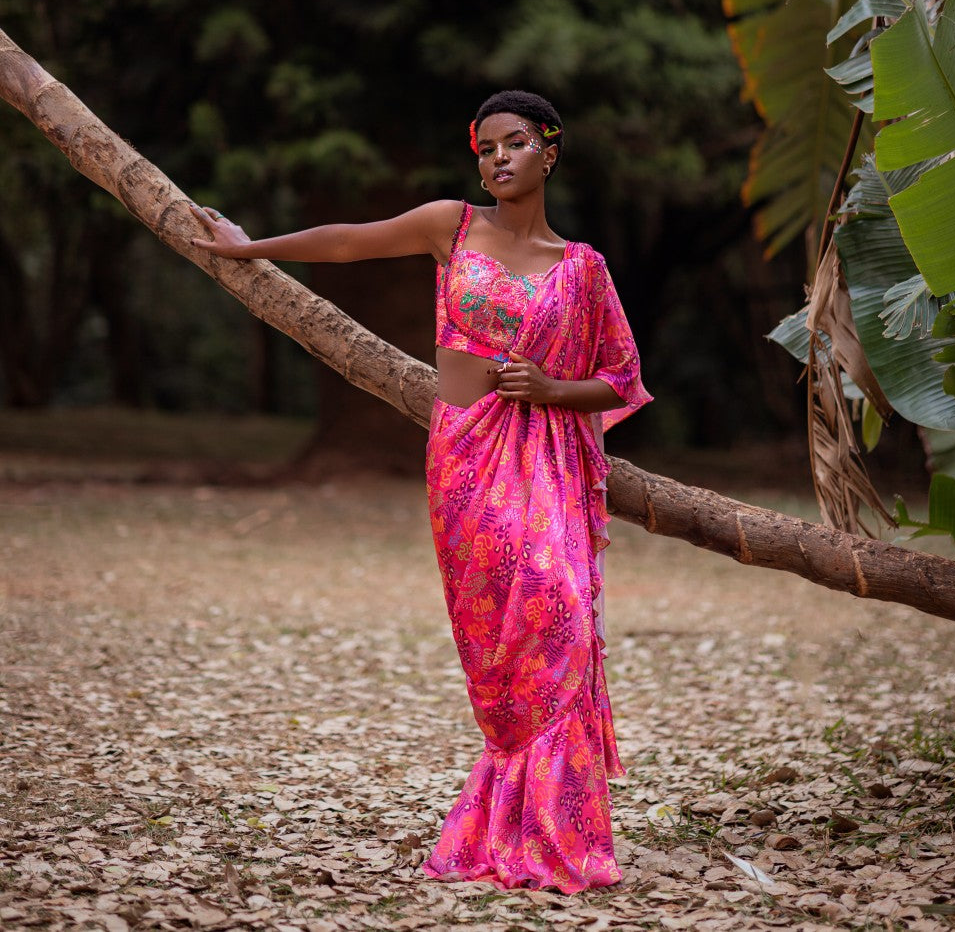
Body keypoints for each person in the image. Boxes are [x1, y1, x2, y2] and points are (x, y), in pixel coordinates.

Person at [190, 89, 651, 893]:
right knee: (499, 650)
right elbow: (348, 242)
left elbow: (620, 377)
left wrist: (551, 388)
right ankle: (510, 825)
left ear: (550, 151)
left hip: (547, 462)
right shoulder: (452, 226)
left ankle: (559, 834)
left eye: (515, 143)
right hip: (468, 464)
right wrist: (247, 246)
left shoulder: (584, 269)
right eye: (485, 148)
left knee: (565, 617)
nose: (498, 158)